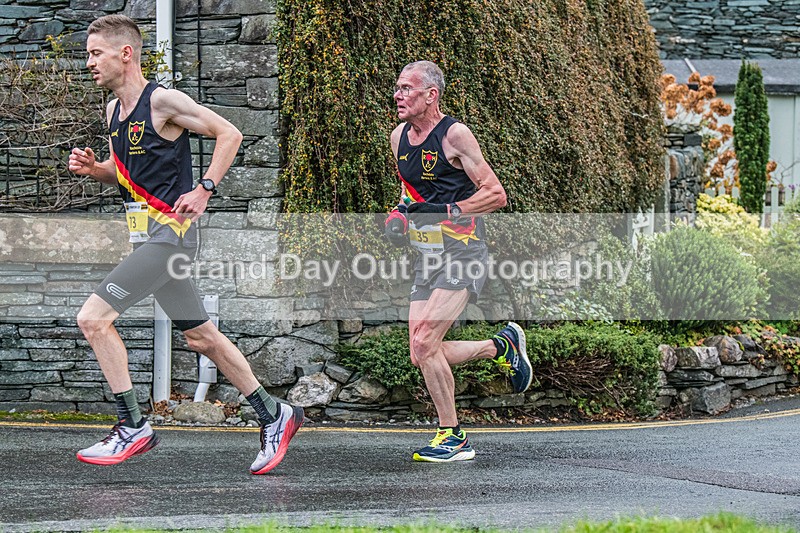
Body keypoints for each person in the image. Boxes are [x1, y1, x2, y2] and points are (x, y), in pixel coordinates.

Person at [68, 14, 303, 474]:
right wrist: (95, 169)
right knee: (201, 336)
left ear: (125, 53)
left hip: (170, 239)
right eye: (89, 54)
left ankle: (132, 426)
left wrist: (205, 188)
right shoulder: (115, 110)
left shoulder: (162, 101)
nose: (89, 62)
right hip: (148, 241)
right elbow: (130, 175)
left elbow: (228, 132)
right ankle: (275, 414)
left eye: (96, 53)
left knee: (93, 319)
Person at [385, 61, 533, 462]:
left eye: (407, 89)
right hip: (428, 255)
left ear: (431, 95)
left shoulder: (454, 135)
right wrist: (400, 215)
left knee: (424, 341)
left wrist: (447, 212)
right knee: (421, 352)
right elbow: (411, 194)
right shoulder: (399, 137)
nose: (398, 95)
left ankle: (453, 436)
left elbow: (496, 194)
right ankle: (499, 347)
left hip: (464, 252)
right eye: (397, 88)